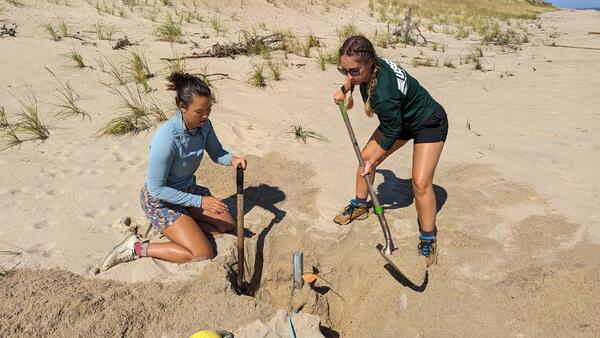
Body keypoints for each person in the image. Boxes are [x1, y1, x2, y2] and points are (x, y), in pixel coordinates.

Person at [100, 73, 247, 270]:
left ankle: (184, 228)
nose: (205, 115)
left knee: (226, 224)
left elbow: (217, 152)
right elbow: (156, 189)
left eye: (209, 109)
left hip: (187, 189)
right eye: (199, 111)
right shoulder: (166, 139)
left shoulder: (204, 126)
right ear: (182, 107)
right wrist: (201, 202)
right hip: (160, 200)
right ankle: (136, 247)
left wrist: (232, 159)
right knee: (203, 252)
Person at [332, 36, 448, 266]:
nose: (349, 76)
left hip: (428, 122)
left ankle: (428, 238)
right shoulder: (369, 67)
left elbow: (392, 131)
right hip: (399, 120)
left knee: (421, 183)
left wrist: (374, 162)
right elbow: (392, 126)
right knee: (363, 159)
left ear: (370, 63)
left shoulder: (384, 94)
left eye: (353, 71)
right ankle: (360, 205)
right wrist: (344, 89)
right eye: (343, 70)